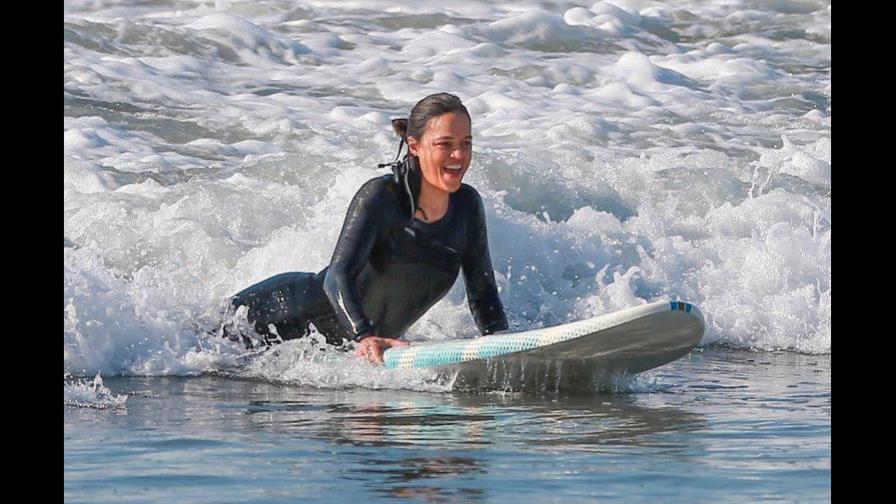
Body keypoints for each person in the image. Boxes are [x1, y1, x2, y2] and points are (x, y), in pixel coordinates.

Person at [224, 93, 508, 364]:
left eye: (466, 143)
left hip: (334, 351)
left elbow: (482, 294)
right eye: (444, 144)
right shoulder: (381, 196)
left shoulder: (467, 206)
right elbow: (336, 276)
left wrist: (503, 344)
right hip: (268, 320)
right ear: (415, 146)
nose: (458, 155)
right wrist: (365, 336)